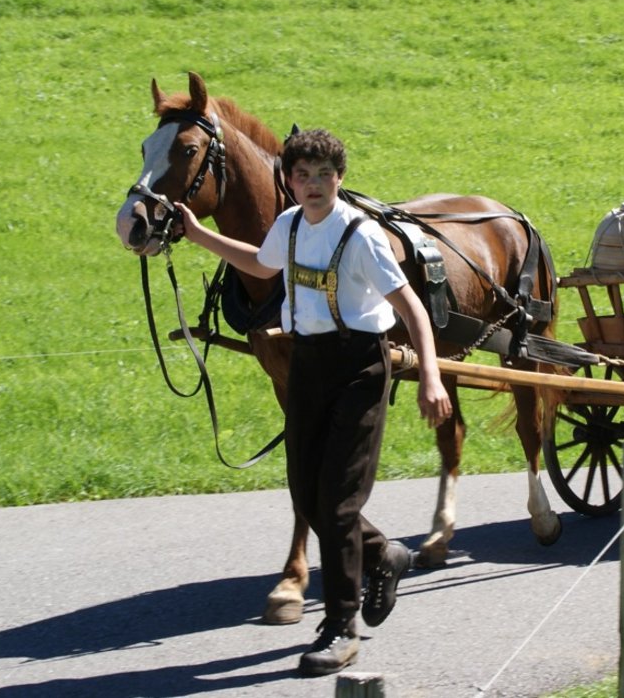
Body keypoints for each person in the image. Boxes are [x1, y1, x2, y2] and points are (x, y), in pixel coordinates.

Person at [176, 128, 451, 677]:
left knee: (339, 502)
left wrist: (432, 378)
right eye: (303, 175)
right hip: (308, 366)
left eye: (325, 175)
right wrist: (198, 233)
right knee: (308, 494)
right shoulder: (291, 225)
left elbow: (413, 310)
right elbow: (259, 264)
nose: (314, 185)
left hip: (358, 367)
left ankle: (341, 626)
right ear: (289, 180)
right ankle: (384, 553)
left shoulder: (362, 235)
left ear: (339, 179)